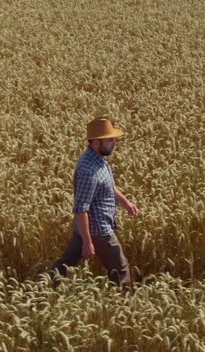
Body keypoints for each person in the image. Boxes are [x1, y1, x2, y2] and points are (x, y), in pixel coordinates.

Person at [50, 117, 139, 288]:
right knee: (120, 270)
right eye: (110, 139)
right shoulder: (88, 171)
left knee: (66, 264)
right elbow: (81, 209)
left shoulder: (99, 159)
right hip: (99, 231)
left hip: (88, 228)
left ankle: (44, 288)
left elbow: (109, 186)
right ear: (97, 143)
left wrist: (126, 203)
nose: (115, 143)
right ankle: (125, 306)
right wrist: (88, 242)